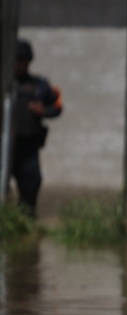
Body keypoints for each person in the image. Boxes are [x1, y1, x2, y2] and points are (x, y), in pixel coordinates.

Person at [10, 39, 63, 217]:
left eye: (23, 59)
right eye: (17, 59)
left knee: (30, 186)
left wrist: (44, 110)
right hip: (4, 147)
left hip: (28, 149)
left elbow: (58, 106)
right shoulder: (5, 83)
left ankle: (24, 222)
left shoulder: (39, 86)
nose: (20, 63)